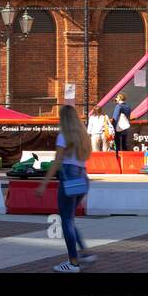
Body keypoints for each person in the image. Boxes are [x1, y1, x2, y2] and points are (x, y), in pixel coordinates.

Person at [38, 103, 94, 272]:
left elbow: (57, 162)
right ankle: (84, 252)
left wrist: (43, 184)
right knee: (69, 219)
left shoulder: (64, 136)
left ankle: (73, 262)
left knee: (66, 220)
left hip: (69, 177)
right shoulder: (83, 136)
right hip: (82, 176)